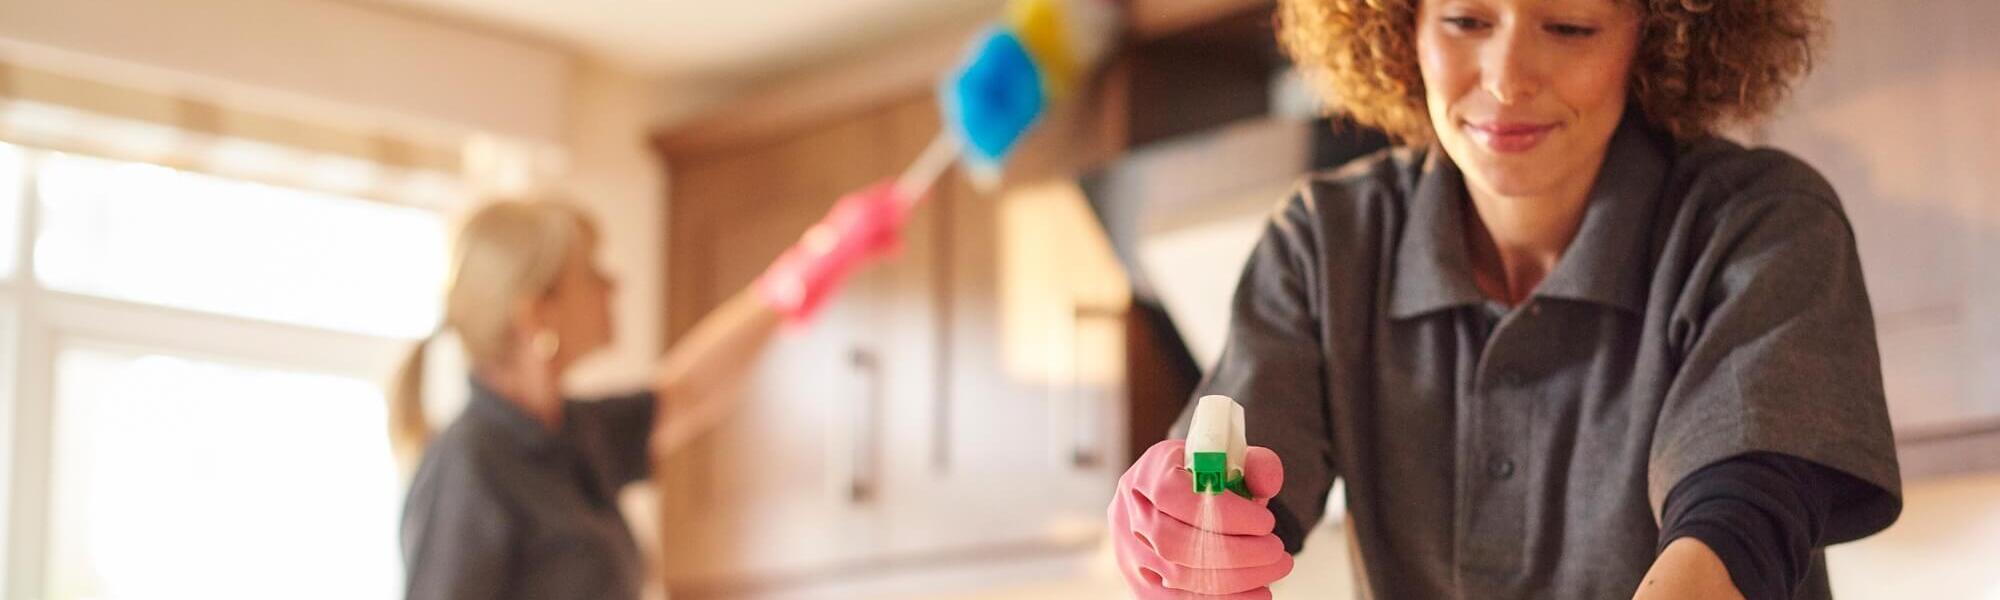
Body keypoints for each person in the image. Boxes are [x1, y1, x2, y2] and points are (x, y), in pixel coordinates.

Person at [1108, 0, 1901, 598]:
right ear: (1400, 27)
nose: (1507, 77)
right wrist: (1177, 533)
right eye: (1463, 20)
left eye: (1570, 25)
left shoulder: (1758, 222)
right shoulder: (1325, 245)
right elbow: (1231, 496)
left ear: (1655, 34)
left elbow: (1743, 520)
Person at [391, 180, 914, 600]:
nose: (612, 285)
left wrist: (817, 262)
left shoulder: (571, 435)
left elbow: (688, 390)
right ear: (536, 311)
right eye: (590, 274)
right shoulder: (468, 465)